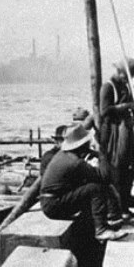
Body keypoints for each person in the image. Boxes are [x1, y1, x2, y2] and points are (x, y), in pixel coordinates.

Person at [40, 123, 127, 242]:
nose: (89, 144)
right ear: (81, 145)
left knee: (92, 188)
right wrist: (101, 152)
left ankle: (103, 224)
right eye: (87, 142)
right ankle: (101, 230)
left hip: (50, 202)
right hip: (54, 205)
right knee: (95, 189)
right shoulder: (75, 162)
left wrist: (94, 154)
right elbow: (104, 177)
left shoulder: (64, 155)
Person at [98, 60, 134, 218]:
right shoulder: (108, 87)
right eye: (125, 75)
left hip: (125, 131)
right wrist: (126, 106)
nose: (127, 79)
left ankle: (125, 204)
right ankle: (118, 209)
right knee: (116, 170)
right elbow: (104, 111)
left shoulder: (125, 85)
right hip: (113, 133)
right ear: (119, 72)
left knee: (128, 169)